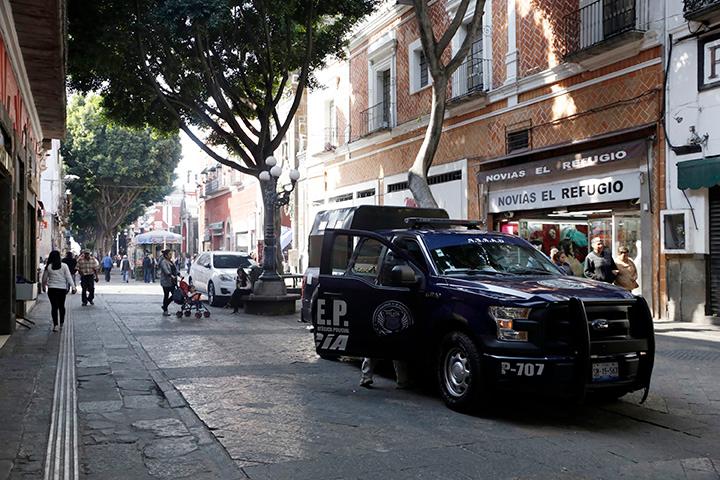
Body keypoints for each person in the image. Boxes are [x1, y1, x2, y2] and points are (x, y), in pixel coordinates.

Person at [42, 251, 76, 332]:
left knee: (54, 307)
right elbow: (68, 277)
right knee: (61, 306)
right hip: (62, 289)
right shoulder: (64, 266)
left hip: (52, 289)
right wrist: (73, 287)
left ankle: (55, 325)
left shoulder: (48, 267)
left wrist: (43, 286)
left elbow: (44, 278)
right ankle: (61, 323)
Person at [159, 249, 178, 316]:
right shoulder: (163, 262)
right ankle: (165, 310)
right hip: (166, 282)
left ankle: (164, 306)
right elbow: (166, 270)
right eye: (170, 254)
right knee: (166, 295)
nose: (171, 255)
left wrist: (179, 274)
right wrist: (170, 275)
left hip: (173, 281)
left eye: (171, 254)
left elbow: (175, 269)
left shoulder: (171, 261)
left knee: (175, 294)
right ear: (166, 255)